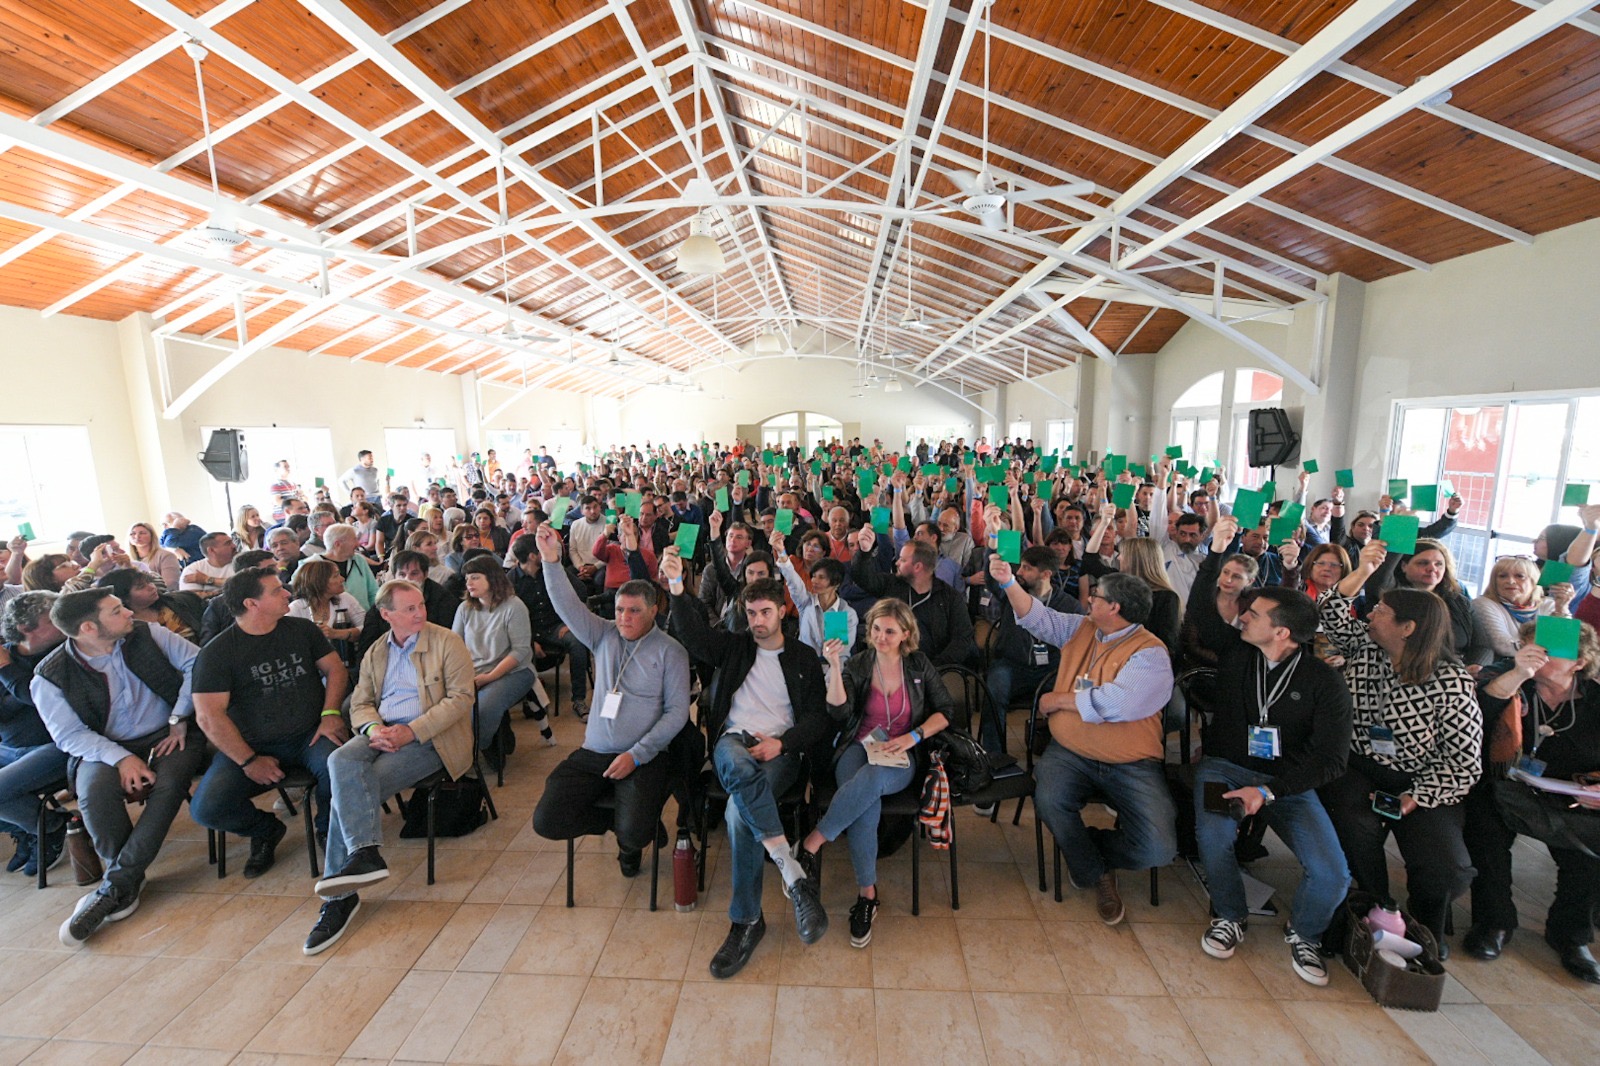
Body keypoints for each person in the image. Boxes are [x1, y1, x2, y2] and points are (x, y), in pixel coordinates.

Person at [662, 552, 831, 976]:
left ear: (782, 611)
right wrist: (677, 587)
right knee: (737, 768)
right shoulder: (735, 647)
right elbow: (694, 636)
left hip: (781, 752)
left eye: (765, 612)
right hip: (733, 742)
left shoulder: (803, 658)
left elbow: (819, 719)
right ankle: (792, 875)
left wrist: (783, 743)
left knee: (739, 812)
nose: (757, 620)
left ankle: (747, 922)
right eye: (751, 613)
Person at [991, 558, 1178, 925]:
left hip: (1130, 761)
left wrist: (1060, 701)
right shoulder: (1083, 627)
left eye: (1097, 595)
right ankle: (1096, 872)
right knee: (1049, 800)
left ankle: (1087, 850)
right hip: (1070, 751)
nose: (1089, 598)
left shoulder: (1150, 653)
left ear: (1115, 608)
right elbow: (1039, 618)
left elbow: (1118, 703)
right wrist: (1009, 582)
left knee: (1158, 848)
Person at [1318, 552, 1483, 949]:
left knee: (1448, 868)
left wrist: (1416, 797)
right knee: (1354, 825)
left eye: (1381, 611)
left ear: (1407, 628)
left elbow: (1463, 762)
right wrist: (1364, 570)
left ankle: (1424, 924)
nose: (1371, 615)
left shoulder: (1450, 681)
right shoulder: (1366, 646)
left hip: (1424, 780)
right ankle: (1377, 904)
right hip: (1359, 766)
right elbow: (1331, 607)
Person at [303, 580, 476, 954]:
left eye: (420, 605)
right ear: (386, 614)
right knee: (339, 760)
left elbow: (461, 699)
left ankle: (339, 899)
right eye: (409, 608)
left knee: (351, 792)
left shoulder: (447, 642)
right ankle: (363, 854)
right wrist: (373, 729)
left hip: (431, 738)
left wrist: (411, 731)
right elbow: (360, 702)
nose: (420, 613)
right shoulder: (377, 651)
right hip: (382, 731)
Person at [1192, 588, 1352, 986]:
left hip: (1287, 784)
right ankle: (1230, 915)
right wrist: (1218, 561)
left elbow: (1331, 759)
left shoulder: (1324, 682)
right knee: (1213, 835)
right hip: (1224, 770)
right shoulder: (1237, 653)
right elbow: (1201, 614)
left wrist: (1268, 792)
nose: (1244, 617)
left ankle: (1305, 933)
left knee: (1332, 873)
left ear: (1281, 632)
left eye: (1255, 614)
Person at [30, 588, 206, 945]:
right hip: (102, 746)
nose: (128, 613)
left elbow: (198, 664)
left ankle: (115, 886)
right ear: (89, 628)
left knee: (168, 784)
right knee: (93, 793)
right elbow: (69, 735)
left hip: (168, 733)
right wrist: (122, 758)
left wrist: (179, 715)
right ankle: (127, 881)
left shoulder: (148, 633)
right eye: (116, 611)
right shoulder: (49, 675)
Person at [530, 524, 690, 878]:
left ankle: (632, 837)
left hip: (642, 757)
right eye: (619, 610)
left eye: (634, 611)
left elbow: (678, 712)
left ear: (653, 611)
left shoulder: (670, 651)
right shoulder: (604, 634)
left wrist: (637, 754)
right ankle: (623, 822)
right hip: (595, 752)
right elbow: (567, 607)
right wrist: (551, 561)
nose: (623, 618)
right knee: (547, 820)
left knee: (635, 833)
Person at [792, 598, 951, 947]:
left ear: (905, 633)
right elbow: (839, 712)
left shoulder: (918, 665)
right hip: (858, 747)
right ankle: (867, 895)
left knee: (874, 780)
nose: (880, 637)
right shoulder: (860, 663)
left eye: (889, 631)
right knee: (867, 801)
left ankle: (812, 842)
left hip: (901, 752)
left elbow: (945, 711)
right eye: (876, 629)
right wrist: (835, 666)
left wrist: (912, 737)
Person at [1462, 620, 1600, 984]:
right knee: (1484, 825)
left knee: (1589, 848)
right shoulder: (1509, 681)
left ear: (1580, 662)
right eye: (1532, 647)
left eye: (1552, 651)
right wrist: (1518, 674)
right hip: (1509, 788)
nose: (1539, 655)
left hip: (1572, 795)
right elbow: (1477, 715)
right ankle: (1494, 923)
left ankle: (1570, 935)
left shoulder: (1595, 700)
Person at [190, 569, 348, 878]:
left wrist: (331, 714)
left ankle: (327, 829)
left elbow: (336, 670)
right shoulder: (217, 653)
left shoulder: (301, 630)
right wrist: (248, 760)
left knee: (339, 766)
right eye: (277, 591)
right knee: (206, 808)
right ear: (251, 604)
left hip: (310, 735)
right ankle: (265, 830)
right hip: (250, 745)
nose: (288, 593)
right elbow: (209, 716)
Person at [981, 545, 1082, 757]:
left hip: (1051, 669)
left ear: (1046, 574)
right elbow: (992, 580)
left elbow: (1079, 645)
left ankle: (1064, 753)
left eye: (1027, 568)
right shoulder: (1012, 593)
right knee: (994, 689)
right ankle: (994, 756)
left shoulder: (1069, 605)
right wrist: (992, 546)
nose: (1019, 572)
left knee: (1074, 693)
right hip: (1012, 665)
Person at [0, 592, 70, 876]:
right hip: (10, 748)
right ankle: (26, 827)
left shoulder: (65, 651)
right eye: (53, 619)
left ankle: (50, 826)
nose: (63, 622)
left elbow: (39, 697)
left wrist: (6, 670)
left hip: (56, 745)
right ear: (26, 628)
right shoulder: (9, 653)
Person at [454, 555, 551, 754]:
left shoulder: (514, 606)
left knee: (482, 708)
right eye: (467, 578)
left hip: (514, 672)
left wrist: (489, 677)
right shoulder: (465, 608)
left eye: (475, 577)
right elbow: (455, 646)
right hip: (475, 671)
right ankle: (479, 742)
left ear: (492, 578)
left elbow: (521, 651)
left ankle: (475, 750)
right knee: (446, 704)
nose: (469, 583)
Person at [850, 525, 979, 668]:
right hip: (891, 665)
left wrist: (933, 669)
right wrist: (864, 551)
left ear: (918, 567)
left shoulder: (950, 597)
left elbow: (962, 639)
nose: (897, 563)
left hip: (936, 669)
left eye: (902, 560)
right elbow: (863, 578)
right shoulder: (891, 584)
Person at [509, 535, 591, 718]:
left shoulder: (554, 570)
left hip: (555, 627)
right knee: (522, 649)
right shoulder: (510, 581)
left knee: (578, 642)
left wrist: (570, 622)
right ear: (532, 556)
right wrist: (531, 640)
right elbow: (510, 619)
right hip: (527, 631)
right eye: (541, 550)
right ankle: (532, 700)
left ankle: (579, 699)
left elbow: (581, 591)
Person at [1180, 517, 1256, 671]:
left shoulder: (1253, 604)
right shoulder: (1204, 599)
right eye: (1225, 572)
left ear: (1249, 581)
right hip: (1202, 671)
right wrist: (1216, 549)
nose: (1228, 580)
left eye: (1237, 576)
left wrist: (1290, 566)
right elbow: (1192, 643)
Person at [1473, 556, 1568, 660]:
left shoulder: (1549, 604)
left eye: (1519, 576)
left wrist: (1562, 608)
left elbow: (1566, 644)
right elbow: (1503, 646)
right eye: (1502, 576)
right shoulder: (1483, 604)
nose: (1510, 581)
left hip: (1546, 666)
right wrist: (1551, 649)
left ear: (1534, 581)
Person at [288, 558, 365, 670]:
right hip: (311, 668)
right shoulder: (296, 608)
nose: (342, 579)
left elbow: (367, 628)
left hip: (348, 662)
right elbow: (287, 643)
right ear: (319, 581)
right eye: (336, 576)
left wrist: (336, 633)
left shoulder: (344, 598)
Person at [94, 569, 203, 641]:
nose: (151, 587)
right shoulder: (124, 626)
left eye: (149, 582)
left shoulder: (182, 600)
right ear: (124, 597)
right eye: (141, 587)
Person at [124, 521, 181, 592]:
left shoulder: (166, 556)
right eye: (132, 534)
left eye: (142, 533)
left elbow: (170, 584)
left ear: (152, 536)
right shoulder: (128, 560)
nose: (137, 536)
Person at [179, 532, 236, 598]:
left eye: (232, 542)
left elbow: (242, 585)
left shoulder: (241, 562)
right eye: (228, 543)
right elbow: (191, 598)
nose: (234, 546)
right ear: (211, 550)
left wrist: (207, 580)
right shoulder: (193, 570)